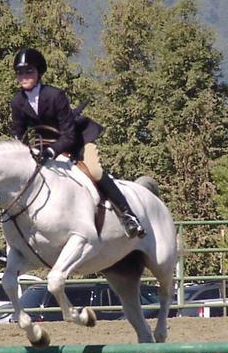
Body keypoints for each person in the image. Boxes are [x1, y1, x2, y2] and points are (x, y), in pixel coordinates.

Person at [10, 48, 146, 239]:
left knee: (95, 171)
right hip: (43, 147)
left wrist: (51, 151)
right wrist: (23, 154)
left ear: (38, 72)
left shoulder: (55, 95)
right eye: (20, 72)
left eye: (29, 71)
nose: (24, 76)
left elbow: (69, 135)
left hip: (77, 141)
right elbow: (19, 133)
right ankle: (15, 239)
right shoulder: (17, 101)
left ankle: (128, 215)